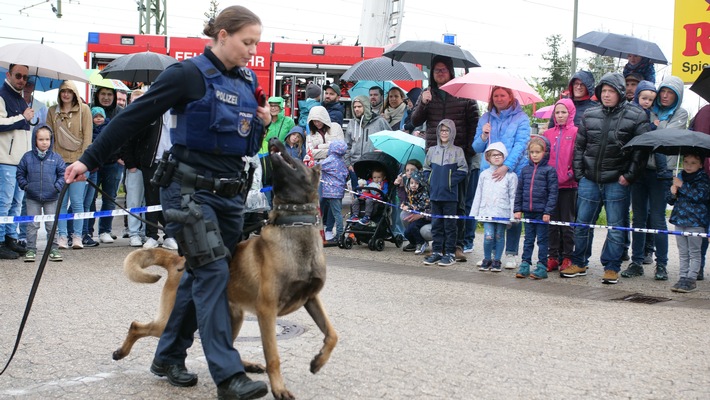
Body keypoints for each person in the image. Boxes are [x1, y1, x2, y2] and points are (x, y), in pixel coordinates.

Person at [64, 6, 270, 398]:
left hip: (230, 197)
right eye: (247, 42)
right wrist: (88, 160)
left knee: (197, 276)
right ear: (222, 35)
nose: (252, 50)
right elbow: (133, 118)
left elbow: (246, 146)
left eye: (256, 43)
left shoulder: (247, 80)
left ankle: (168, 355)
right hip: (189, 192)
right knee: (212, 275)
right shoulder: (186, 75)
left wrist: (260, 122)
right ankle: (228, 376)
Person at [561, 72, 649, 285]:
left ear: (619, 92)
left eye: (611, 91)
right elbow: (579, 147)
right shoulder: (589, 115)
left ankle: (611, 267)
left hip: (616, 182)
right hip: (589, 179)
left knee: (616, 227)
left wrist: (628, 176)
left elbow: (641, 152)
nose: (606, 95)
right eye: (603, 91)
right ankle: (580, 262)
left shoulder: (637, 116)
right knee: (582, 224)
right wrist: (580, 175)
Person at [411, 55, 480, 261]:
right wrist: (423, 103)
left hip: (457, 158)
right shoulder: (427, 94)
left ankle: (456, 245)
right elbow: (415, 120)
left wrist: (466, 152)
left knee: (457, 203)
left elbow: (474, 124)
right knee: (437, 203)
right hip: (435, 157)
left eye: (443, 69)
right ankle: (438, 245)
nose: (440, 73)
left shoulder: (464, 94)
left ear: (451, 71)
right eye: (436, 70)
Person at [623, 75, 688, 282]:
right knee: (638, 218)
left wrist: (654, 128)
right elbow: (637, 135)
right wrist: (652, 127)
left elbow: (667, 138)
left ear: (677, 96)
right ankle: (636, 262)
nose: (666, 96)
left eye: (671, 93)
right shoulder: (648, 109)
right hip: (641, 169)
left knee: (659, 220)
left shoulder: (681, 113)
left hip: (663, 173)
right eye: (664, 92)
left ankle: (662, 264)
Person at [473, 86, 530, 269]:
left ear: (510, 96)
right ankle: (489, 256)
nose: (498, 98)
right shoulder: (486, 117)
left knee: (511, 213)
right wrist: (483, 135)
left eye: (502, 95)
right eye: (495, 95)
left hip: (513, 172)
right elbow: (476, 147)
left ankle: (511, 253)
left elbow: (521, 145)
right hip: (489, 173)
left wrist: (506, 166)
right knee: (490, 213)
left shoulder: (521, 118)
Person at [120, 90, 179, 250]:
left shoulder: (177, 113)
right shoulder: (152, 112)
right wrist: (132, 162)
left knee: (170, 201)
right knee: (151, 200)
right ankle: (151, 235)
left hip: (172, 163)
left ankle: (170, 235)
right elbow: (134, 137)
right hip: (151, 162)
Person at [47, 80, 93, 249]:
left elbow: (88, 137)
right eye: (63, 91)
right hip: (59, 163)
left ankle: (77, 237)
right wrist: (52, 162)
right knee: (61, 202)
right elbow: (50, 137)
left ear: (74, 93)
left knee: (77, 201)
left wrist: (85, 162)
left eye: (69, 91)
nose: (66, 94)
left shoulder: (84, 110)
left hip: (79, 162)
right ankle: (62, 236)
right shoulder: (53, 111)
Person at [422, 119, 468, 267]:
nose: (444, 133)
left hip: (450, 196)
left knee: (450, 225)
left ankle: (449, 253)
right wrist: (431, 181)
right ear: (438, 132)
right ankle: (437, 251)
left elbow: (463, 170)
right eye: (441, 130)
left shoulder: (457, 151)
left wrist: (449, 182)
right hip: (435, 194)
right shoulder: (431, 150)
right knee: (436, 224)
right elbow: (426, 169)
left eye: (447, 130)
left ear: (452, 132)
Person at [16, 124, 65, 262]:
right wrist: (26, 186)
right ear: (35, 140)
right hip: (32, 198)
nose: (44, 142)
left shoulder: (56, 158)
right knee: (32, 225)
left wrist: (57, 187)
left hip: (52, 198)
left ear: (51, 140)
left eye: (47, 139)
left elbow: (62, 175)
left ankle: (53, 249)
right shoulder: (27, 157)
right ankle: (31, 249)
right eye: (41, 139)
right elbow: (20, 173)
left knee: (51, 225)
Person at [0, 64, 34, 259]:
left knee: (15, 202)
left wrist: (28, 117)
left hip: (19, 160)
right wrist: (22, 117)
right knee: (3, 203)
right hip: (5, 159)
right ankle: (0, 240)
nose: (22, 80)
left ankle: (10, 238)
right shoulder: (2, 95)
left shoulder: (21, 98)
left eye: (25, 77)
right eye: (18, 76)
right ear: (9, 75)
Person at [513, 136, 558, 280]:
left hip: (542, 213)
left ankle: (542, 266)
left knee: (543, 240)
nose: (534, 155)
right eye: (532, 152)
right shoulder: (525, 170)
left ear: (545, 152)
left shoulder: (549, 171)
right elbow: (519, 191)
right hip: (528, 212)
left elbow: (553, 193)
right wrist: (517, 209)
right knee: (528, 239)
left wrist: (548, 211)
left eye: (538, 152)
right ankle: (525, 264)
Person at [542, 98, 578, 272]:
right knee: (551, 223)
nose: (560, 115)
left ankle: (567, 256)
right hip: (551, 186)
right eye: (557, 112)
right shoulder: (548, 134)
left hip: (568, 186)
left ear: (570, 113)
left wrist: (570, 174)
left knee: (567, 223)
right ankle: (552, 256)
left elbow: (578, 157)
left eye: (564, 112)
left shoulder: (576, 132)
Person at [470, 142, 517, 272]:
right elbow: (478, 194)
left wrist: (513, 215)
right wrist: (475, 212)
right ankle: (487, 258)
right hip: (487, 211)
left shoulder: (511, 176)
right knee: (488, 236)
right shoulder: (484, 175)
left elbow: (513, 196)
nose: (496, 157)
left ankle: (497, 260)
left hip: (502, 211)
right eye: (493, 155)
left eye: (499, 155)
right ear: (488, 158)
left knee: (499, 235)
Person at [667, 153, 709, 293]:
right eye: (686, 162)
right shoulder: (679, 177)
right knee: (683, 252)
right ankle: (682, 276)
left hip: (696, 222)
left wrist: (682, 186)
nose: (688, 165)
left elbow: (700, 196)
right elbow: (670, 200)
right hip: (680, 220)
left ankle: (691, 278)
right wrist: (673, 192)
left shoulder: (703, 179)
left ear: (700, 165)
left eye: (693, 163)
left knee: (695, 252)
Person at [89, 85, 124, 243]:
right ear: (97, 95)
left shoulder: (120, 112)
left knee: (110, 198)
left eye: (109, 94)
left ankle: (105, 231)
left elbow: (126, 135)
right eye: (103, 94)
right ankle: (87, 232)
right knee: (89, 199)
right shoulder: (89, 111)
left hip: (113, 163)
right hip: (93, 163)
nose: (106, 97)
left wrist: (120, 156)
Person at [343, 95, 390, 192]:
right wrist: (348, 164)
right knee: (357, 197)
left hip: (374, 165)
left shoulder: (380, 121)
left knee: (374, 197)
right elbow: (347, 146)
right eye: (354, 107)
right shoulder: (352, 124)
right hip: (355, 165)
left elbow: (389, 141)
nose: (356, 109)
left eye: (359, 106)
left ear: (366, 107)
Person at [690, 103, 710, 281]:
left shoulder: (703, 111)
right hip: (703, 177)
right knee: (702, 226)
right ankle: (698, 267)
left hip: (702, 174)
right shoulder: (703, 112)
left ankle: (698, 267)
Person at [318, 140, 348, 246]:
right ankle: (336, 233)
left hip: (331, 191)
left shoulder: (331, 160)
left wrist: (310, 162)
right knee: (337, 212)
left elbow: (319, 166)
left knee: (336, 213)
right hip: (338, 191)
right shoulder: (341, 160)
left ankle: (340, 234)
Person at [394, 159, 423, 252]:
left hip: (425, 214)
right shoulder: (408, 182)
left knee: (420, 229)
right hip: (414, 211)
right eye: (407, 170)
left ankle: (421, 242)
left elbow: (424, 202)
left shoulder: (423, 184)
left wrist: (420, 212)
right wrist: (401, 186)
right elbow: (405, 200)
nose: (409, 172)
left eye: (413, 170)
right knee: (404, 217)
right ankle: (413, 241)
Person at [400, 170, 431, 256]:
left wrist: (410, 207)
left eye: (416, 183)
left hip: (424, 216)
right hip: (416, 215)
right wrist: (404, 204)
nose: (414, 185)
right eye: (412, 183)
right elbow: (409, 202)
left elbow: (422, 206)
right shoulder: (411, 192)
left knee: (413, 227)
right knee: (406, 232)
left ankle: (421, 243)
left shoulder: (424, 193)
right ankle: (414, 243)